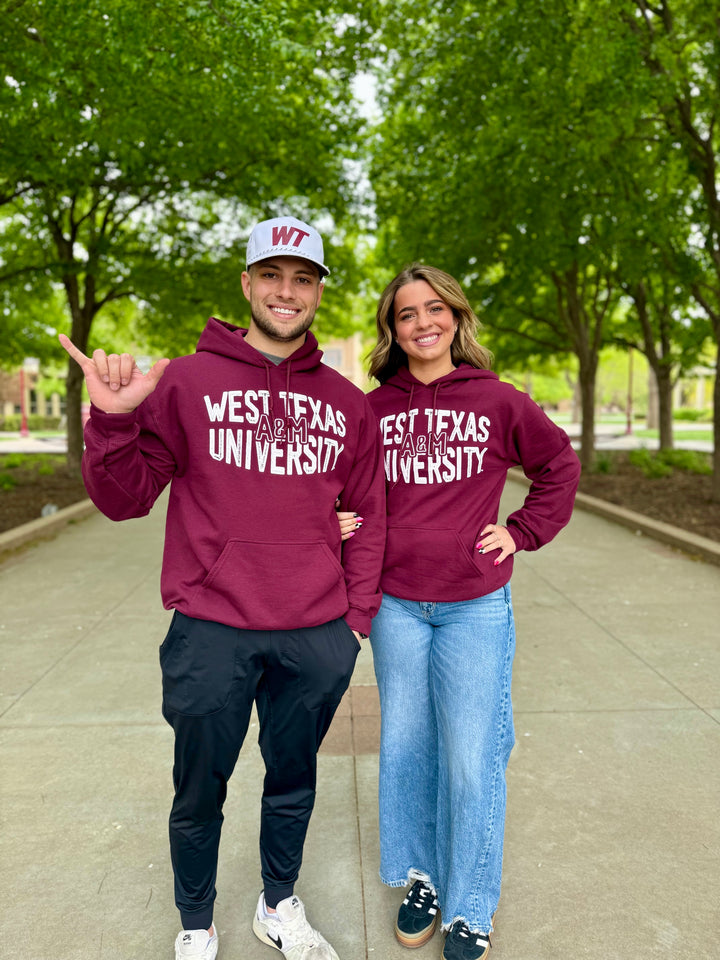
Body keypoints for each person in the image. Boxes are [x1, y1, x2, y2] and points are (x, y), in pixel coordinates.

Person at [60, 216, 386, 960]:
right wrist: (110, 425)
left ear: (318, 293)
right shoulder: (185, 381)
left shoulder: (346, 403)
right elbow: (125, 498)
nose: (286, 290)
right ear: (246, 284)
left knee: (293, 783)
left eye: (303, 278)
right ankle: (197, 923)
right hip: (210, 626)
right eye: (271, 274)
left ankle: (278, 906)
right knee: (199, 789)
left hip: (314, 632)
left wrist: (354, 623)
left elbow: (368, 519)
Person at [337, 263, 581, 960]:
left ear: (456, 317)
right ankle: (423, 879)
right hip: (396, 608)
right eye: (407, 313)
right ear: (392, 328)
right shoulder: (371, 408)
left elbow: (558, 466)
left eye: (433, 308)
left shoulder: (498, 401)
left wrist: (520, 531)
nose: (422, 323)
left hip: (474, 605)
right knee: (408, 748)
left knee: (472, 758)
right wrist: (339, 520)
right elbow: (340, 485)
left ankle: (471, 904)